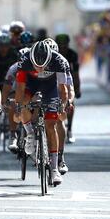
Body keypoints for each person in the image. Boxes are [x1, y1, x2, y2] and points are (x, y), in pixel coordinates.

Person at [14, 40, 70, 186]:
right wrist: (18, 107)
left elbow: (63, 89)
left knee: (51, 125)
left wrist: (62, 105)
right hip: (31, 85)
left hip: (50, 88)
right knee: (24, 103)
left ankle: (54, 169)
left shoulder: (59, 61)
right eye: (36, 65)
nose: (39, 68)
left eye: (43, 65)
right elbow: (20, 89)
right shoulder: (24, 60)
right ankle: (30, 134)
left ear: (49, 59)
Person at [0, 33, 20, 145]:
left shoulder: (13, 53)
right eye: (1, 45)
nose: (3, 48)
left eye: (6, 45)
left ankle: (14, 128)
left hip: (10, 80)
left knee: (13, 101)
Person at [55, 34, 81, 144]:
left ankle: (69, 129)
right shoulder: (53, 55)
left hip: (67, 79)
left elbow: (75, 74)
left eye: (64, 46)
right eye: (60, 47)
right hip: (54, 81)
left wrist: (77, 88)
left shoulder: (73, 55)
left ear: (68, 45)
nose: (62, 49)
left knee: (70, 104)